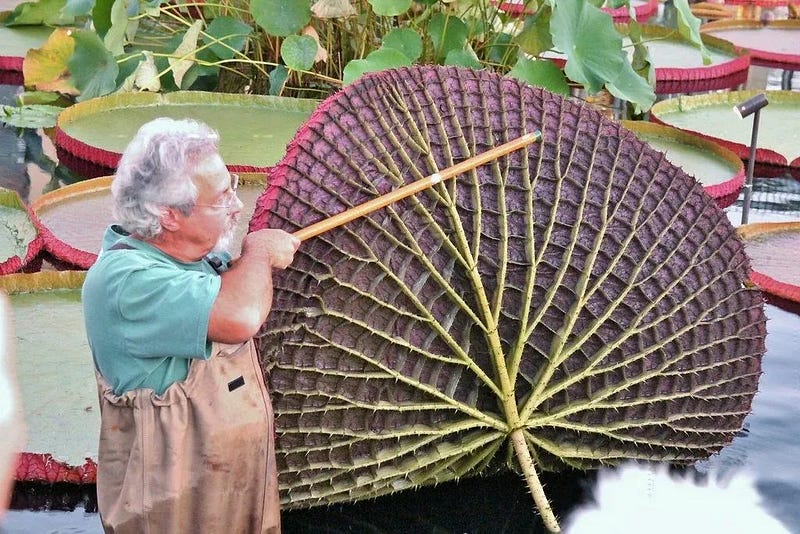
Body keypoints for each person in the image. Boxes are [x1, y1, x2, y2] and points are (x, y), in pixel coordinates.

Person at [82, 117, 299, 533]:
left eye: (232, 186)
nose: (237, 205)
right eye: (221, 197)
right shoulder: (127, 281)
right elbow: (240, 318)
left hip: (229, 499)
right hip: (174, 513)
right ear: (168, 215)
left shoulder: (192, 261)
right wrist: (257, 253)